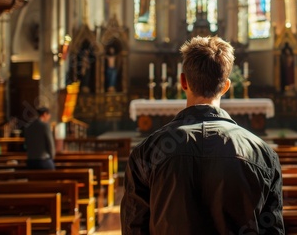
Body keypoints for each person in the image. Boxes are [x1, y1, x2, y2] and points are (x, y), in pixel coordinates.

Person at [121, 36, 284, 234]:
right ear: (226, 86)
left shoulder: (146, 153)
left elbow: (134, 228)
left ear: (183, 81)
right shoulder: (264, 155)